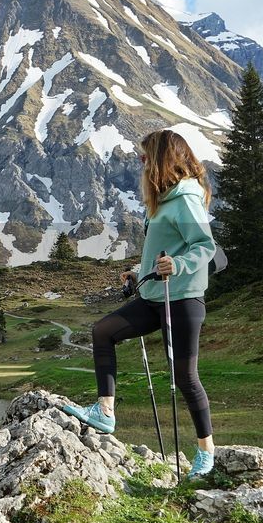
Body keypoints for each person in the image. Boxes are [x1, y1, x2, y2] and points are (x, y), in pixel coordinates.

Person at [61, 128, 218, 478]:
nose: (141, 163)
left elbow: (204, 246)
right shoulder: (163, 201)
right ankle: (105, 412)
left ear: (163, 159)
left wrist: (178, 265)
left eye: (145, 157)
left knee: (185, 376)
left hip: (181, 299)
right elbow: (160, 250)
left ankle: (206, 451)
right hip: (153, 296)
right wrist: (137, 271)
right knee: (103, 331)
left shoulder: (187, 198)